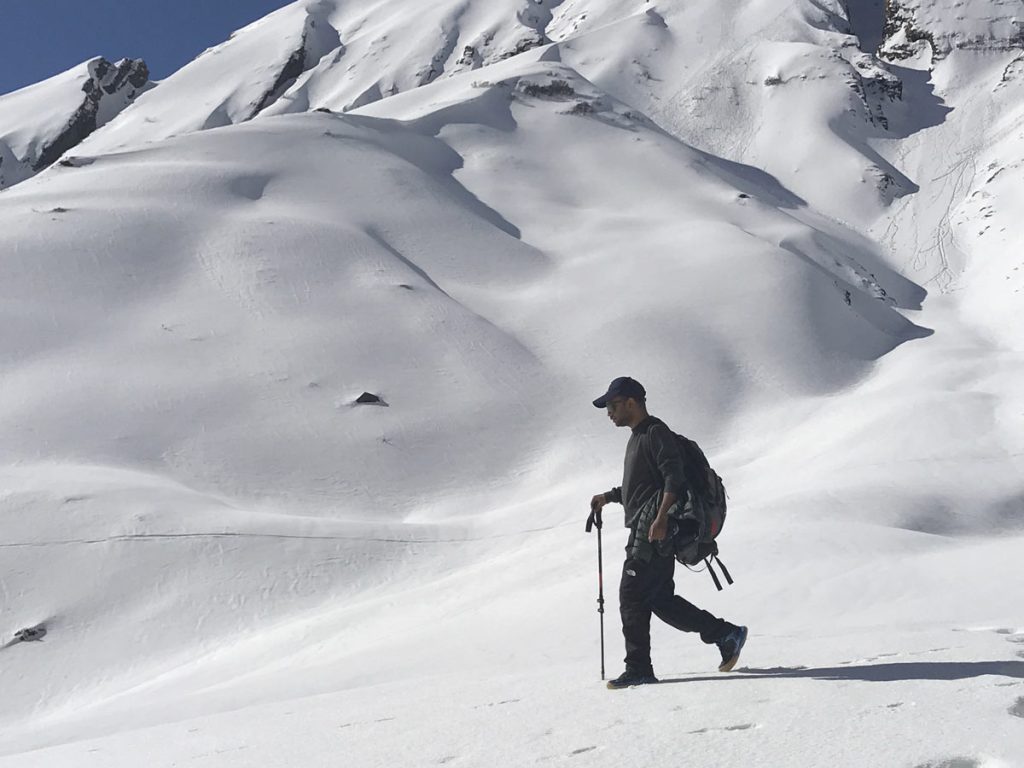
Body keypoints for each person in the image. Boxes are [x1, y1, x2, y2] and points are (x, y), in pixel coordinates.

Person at [589, 376, 747, 689]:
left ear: (631, 402)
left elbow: (674, 479)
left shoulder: (656, 433)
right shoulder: (638, 437)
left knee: (631, 596)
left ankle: (638, 668)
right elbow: (641, 488)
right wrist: (608, 497)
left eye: (613, 404)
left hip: (653, 534)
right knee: (661, 600)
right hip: (649, 530)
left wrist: (661, 519)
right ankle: (724, 633)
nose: (609, 412)